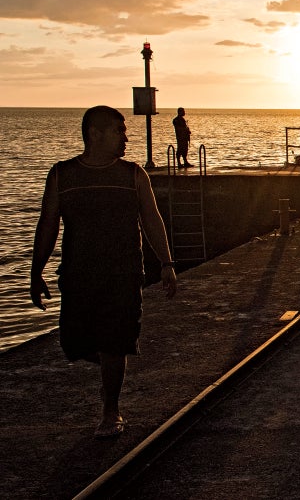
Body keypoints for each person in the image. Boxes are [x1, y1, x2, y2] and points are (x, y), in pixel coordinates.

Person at [30, 105, 178, 438]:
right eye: (118, 131)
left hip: (122, 275)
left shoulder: (132, 175)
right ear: (94, 134)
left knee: (115, 343)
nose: (125, 137)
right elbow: (48, 224)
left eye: (125, 131)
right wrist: (35, 271)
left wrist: (167, 263)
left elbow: (152, 221)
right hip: (78, 275)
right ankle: (108, 377)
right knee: (76, 342)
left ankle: (111, 411)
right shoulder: (62, 175)